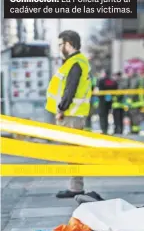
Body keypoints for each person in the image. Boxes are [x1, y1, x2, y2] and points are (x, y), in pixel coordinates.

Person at [45, 30, 92, 198]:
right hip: (72, 114)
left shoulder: (76, 63)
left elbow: (70, 89)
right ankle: (75, 187)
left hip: (70, 115)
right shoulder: (74, 62)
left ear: (69, 43)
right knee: (71, 152)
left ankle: (76, 188)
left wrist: (61, 109)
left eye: (61, 44)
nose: (59, 48)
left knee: (73, 152)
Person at [96, 69, 118, 134]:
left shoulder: (101, 81)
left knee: (103, 116)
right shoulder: (113, 81)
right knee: (109, 115)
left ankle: (104, 130)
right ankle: (109, 129)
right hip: (110, 101)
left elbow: (97, 89)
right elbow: (116, 89)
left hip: (102, 101)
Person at [126, 69, 144, 134]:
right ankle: (135, 130)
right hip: (139, 102)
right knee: (135, 117)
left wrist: (129, 100)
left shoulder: (135, 80)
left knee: (134, 117)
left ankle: (134, 131)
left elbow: (133, 91)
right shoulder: (140, 80)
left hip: (135, 103)